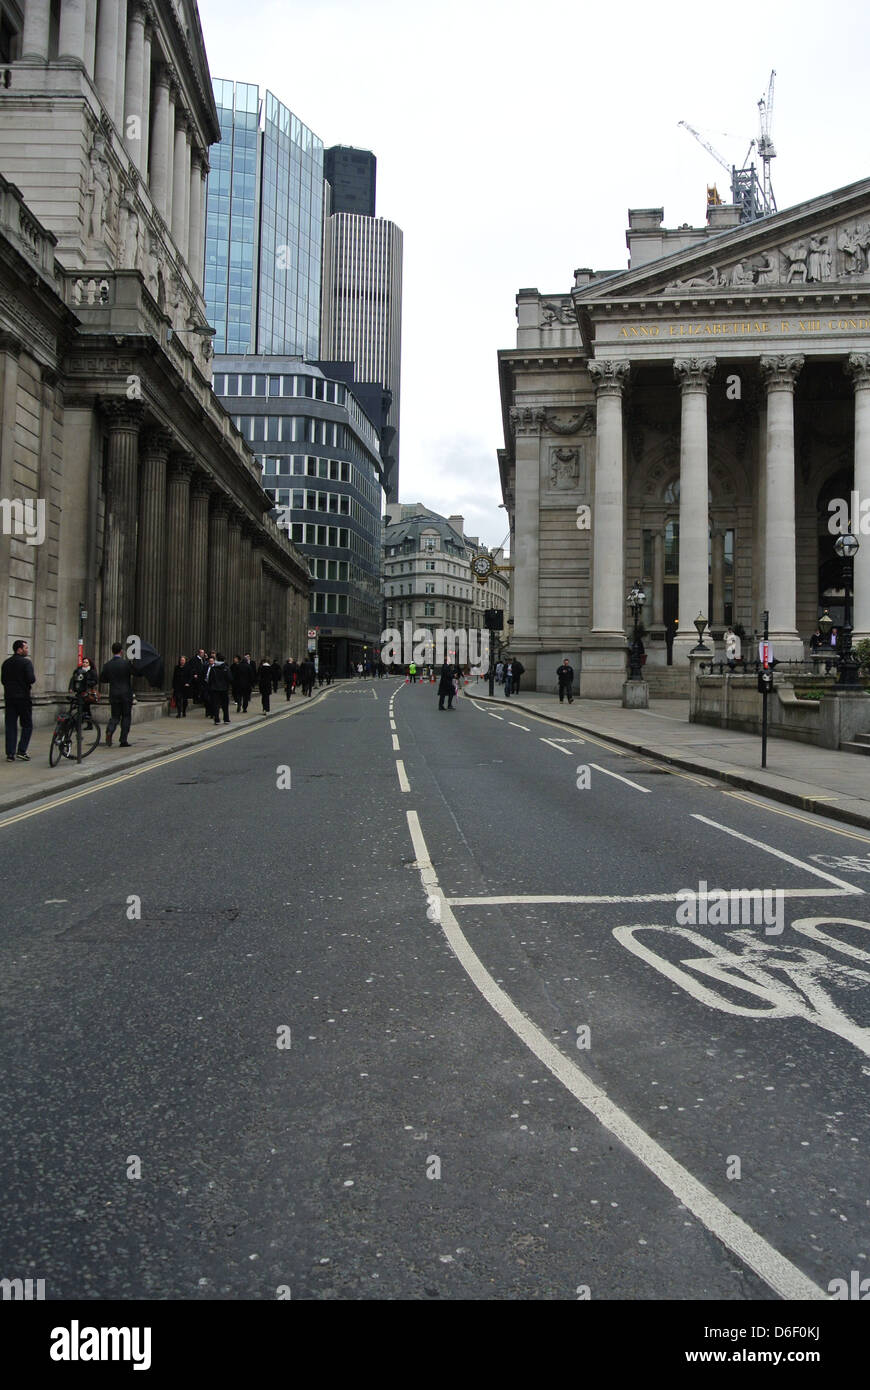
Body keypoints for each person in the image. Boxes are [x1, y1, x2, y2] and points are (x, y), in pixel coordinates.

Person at [2, 638, 36, 762]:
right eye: (26, 648)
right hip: (23, 698)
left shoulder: (6, 663)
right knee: (27, 725)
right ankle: (21, 751)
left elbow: (3, 681)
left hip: (9, 698)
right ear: (19, 649)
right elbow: (31, 679)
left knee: (10, 726)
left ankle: (10, 754)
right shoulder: (26, 663)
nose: (27, 650)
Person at [100, 641, 134, 747]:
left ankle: (109, 731)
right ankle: (123, 740)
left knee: (115, 716)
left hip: (114, 693)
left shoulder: (107, 665)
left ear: (112, 651)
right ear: (121, 651)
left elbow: (102, 679)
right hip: (126, 694)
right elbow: (136, 673)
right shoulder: (126, 664)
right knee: (126, 716)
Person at [207, 652, 231, 724]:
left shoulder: (213, 668)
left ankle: (216, 719)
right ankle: (226, 719)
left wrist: (211, 687)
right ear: (224, 660)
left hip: (215, 689)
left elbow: (210, 679)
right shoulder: (226, 668)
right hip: (224, 689)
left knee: (216, 705)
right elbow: (230, 678)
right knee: (225, 705)